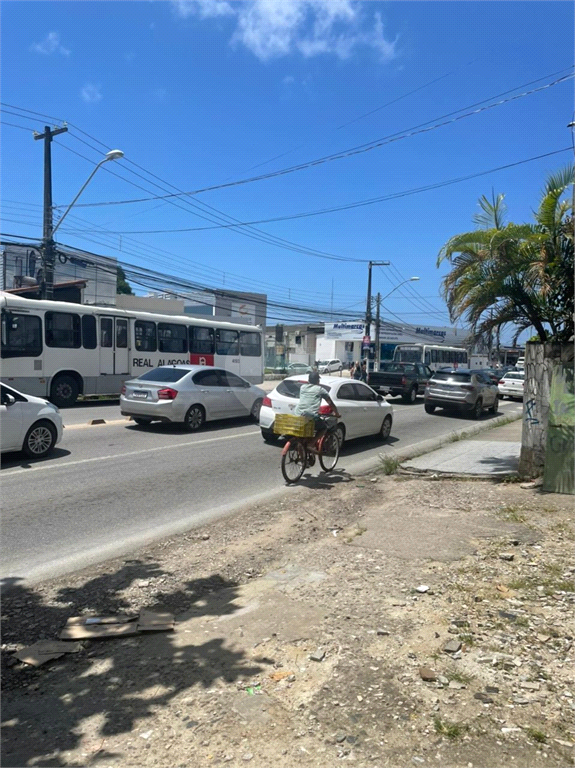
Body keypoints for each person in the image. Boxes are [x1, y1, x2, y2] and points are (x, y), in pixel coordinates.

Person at [295, 370, 341, 435]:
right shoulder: (320, 390)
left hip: (298, 414)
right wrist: (337, 414)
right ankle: (311, 443)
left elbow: (308, 401)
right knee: (323, 428)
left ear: (309, 380)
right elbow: (330, 403)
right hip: (310, 416)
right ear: (317, 381)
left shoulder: (302, 387)